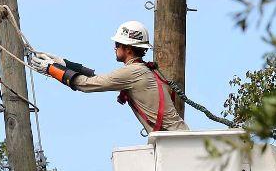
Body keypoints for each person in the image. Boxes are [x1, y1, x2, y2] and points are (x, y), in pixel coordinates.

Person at [30, 20, 188, 133]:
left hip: (174, 143)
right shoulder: (144, 70)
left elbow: (87, 84)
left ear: (128, 49)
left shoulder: (132, 72)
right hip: (178, 140)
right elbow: (99, 79)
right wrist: (63, 63)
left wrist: (51, 69)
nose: (115, 48)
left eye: (117, 44)